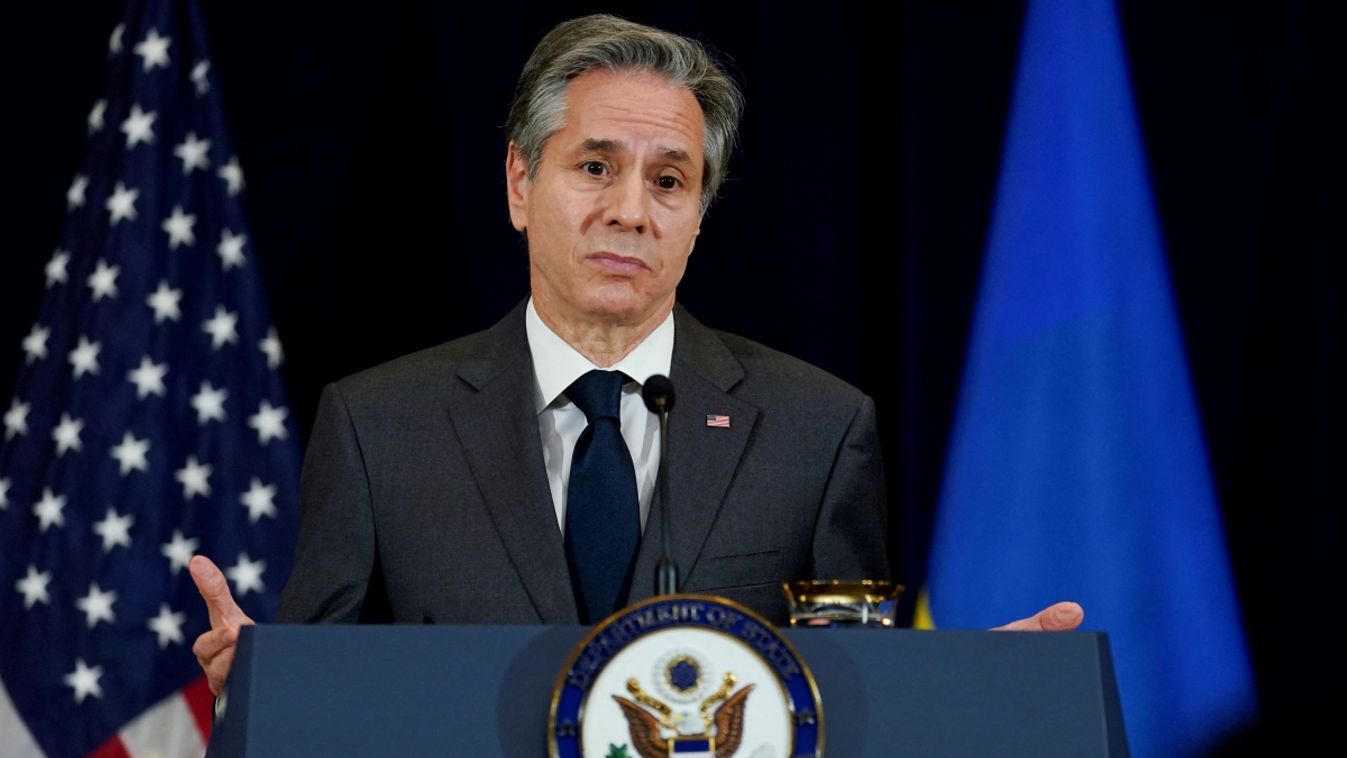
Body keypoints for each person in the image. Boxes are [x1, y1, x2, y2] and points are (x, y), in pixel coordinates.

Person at [189, 14, 1083, 697]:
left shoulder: (816, 428)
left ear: (697, 217)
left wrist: (951, 695)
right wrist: (263, 693)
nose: (629, 211)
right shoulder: (378, 426)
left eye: (668, 181)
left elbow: (847, 701)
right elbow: (321, 704)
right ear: (519, 183)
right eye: (594, 167)